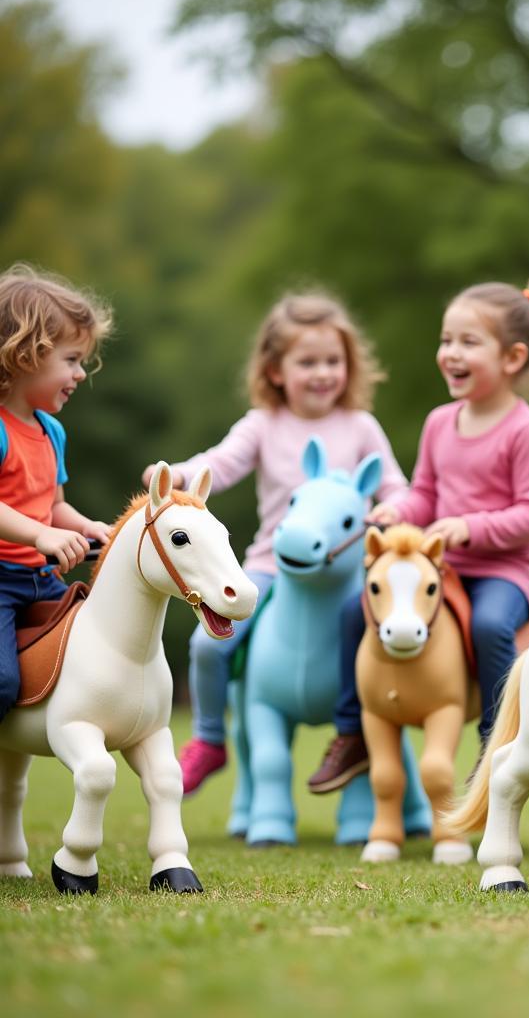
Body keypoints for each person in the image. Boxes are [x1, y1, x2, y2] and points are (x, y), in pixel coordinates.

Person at [144, 292, 408, 794]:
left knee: (395, 635)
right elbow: (219, 464)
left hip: (344, 572)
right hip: (271, 567)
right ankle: (209, 739)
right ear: (275, 370)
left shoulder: (360, 427)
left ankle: (373, 738)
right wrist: (177, 475)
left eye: (333, 361)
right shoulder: (263, 425)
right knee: (207, 645)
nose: (322, 372)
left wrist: (394, 507)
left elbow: (395, 483)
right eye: (307, 362)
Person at [307, 279, 529, 794]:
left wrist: (470, 527)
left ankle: (497, 743)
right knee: (354, 610)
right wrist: (396, 509)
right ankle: (353, 730)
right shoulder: (439, 423)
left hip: (504, 572)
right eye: (447, 340)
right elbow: (424, 492)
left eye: (469, 343)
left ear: (513, 357)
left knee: (492, 626)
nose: (450, 353)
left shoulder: (526, 429)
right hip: (441, 568)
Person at [0, 264, 113, 722]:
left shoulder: (52, 432)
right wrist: (40, 536)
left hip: (42, 579)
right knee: (3, 681)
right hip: (2, 582)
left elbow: (55, 505)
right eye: (71, 360)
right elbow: (36, 522)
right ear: (25, 354)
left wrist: (89, 529)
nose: (81, 374)